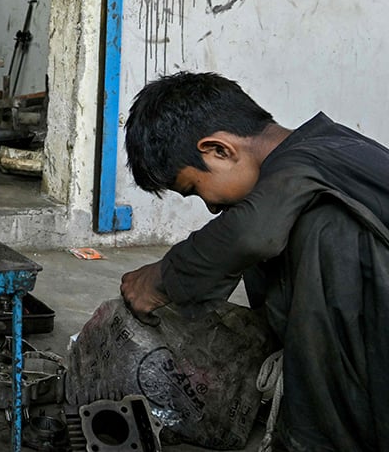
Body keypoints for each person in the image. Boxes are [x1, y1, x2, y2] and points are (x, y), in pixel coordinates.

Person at [119, 71, 389, 452]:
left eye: (195, 190)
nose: (211, 206)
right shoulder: (314, 153)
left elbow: (251, 234)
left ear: (220, 150)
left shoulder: (309, 163)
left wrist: (161, 278)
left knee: (316, 231)